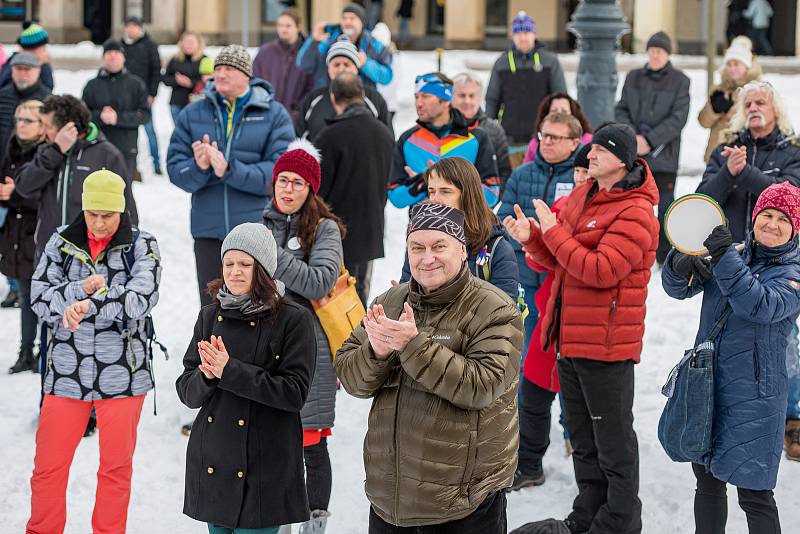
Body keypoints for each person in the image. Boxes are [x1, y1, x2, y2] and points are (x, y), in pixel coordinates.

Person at [504, 123, 658, 534]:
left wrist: (551, 233)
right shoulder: (582, 196)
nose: (589, 156)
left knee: (614, 446)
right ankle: (588, 511)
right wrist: (533, 241)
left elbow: (599, 270)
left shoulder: (637, 210)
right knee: (585, 443)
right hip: (569, 338)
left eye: (599, 152)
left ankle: (620, 521)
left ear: (622, 161)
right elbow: (558, 262)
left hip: (607, 345)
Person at [335, 202, 523, 532]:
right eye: (416, 247)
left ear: (462, 251)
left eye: (439, 246)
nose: (427, 257)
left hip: (462, 504)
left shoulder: (494, 308)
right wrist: (375, 352)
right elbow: (350, 377)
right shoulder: (390, 301)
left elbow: (482, 386)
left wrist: (413, 346)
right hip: (389, 499)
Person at [25, 169, 161, 534]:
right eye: (92, 214)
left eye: (108, 215)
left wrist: (89, 304)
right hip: (66, 373)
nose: (99, 224)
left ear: (121, 211)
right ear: (82, 209)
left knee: (115, 470)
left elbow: (140, 299)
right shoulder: (60, 242)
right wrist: (74, 291)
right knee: (48, 469)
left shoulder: (142, 245)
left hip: (123, 374)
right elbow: (38, 295)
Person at [662, 181, 800, 534]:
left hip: (756, 398)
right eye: (766, 214)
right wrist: (679, 264)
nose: (771, 223)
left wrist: (724, 257)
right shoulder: (734, 253)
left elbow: (756, 304)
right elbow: (679, 290)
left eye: (783, 219)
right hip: (709, 387)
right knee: (706, 482)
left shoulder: (792, 275)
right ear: (754, 217)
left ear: (795, 229)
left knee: (754, 494)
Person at [176, 222, 315, 534]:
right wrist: (207, 376)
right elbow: (187, 392)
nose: (234, 272)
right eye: (229, 263)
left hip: (265, 470)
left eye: (245, 264)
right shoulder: (210, 316)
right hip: (214, 463)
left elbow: (294, 393)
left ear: (263, 269)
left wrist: (230, 370)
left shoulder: (294, 320)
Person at [167, 44, 294, 307]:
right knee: (212, 307)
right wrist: (199, 165)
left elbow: (279, 174)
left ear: (247, 74)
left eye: (229, 69)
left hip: (255, 230)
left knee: (258, 305)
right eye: (218, 69)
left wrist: (230, 170)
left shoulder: (274, 114)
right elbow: (175, 170)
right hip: (208, 231)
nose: (220, 74)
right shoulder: (193, 113)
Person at [263, 141, 344, 534]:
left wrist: (272, 254)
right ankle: (276, 518)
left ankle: (314, 523)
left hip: (309, 352)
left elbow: (318, 282)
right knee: (272, 443)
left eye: (297, 182)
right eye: (282, 180)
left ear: (311, 189)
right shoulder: (259, 225)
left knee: (310, 443)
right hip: (263, 350)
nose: (288, 189)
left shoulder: (325, 229)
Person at [509, 144, 590, 492]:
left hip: (583, 321)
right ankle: (528, 463)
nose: (583, 178)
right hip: (549, 315)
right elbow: (539, 262)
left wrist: (552, 238)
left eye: (589, 172)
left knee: (581, 404)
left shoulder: (602, 216)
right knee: (534, 391)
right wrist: (531, 240)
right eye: (579, 173)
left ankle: (591, 475)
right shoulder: (561, 208)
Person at [498, 112, 583, 364]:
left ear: (574, 142)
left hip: (557, 278)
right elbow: (503, 217)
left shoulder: (580, 178)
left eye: (555, 137)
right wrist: (521, 236)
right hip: (522, 275)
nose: (546, 142)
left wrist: (545, 242)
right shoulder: (522, 174)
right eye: (544, 135)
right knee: (522, 351)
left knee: (557, 355)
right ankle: (524, 403)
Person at [14, 94, 137, 254]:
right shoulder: (48, 150)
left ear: (69, 128)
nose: (43, 132)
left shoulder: (107, 155)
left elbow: (127, 210)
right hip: (49, 253)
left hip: (89, 256)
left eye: (48, 126)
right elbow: (24, 186)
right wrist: (56, 151)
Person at [314, 73, 393, 305]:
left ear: (333, 98)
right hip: (370, 229)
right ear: (363, 95)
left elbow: (319, 192)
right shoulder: (385, 134)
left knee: (334, 303)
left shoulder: (328, 137)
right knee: (359, 298)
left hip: (335, 232)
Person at [615, 30, 690, 266]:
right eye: (652, 51)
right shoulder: (634, 77)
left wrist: (651, 140)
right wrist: (634, 138)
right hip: (634, 155)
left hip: (664, 155)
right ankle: (631, 247)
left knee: (666, 204)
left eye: (660, 51)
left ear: (668, 54)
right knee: (631, 202)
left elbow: (678, 118)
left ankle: (664, 254)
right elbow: (622, 109)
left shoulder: (680, 80)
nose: (655, 55)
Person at [398, 157, 519, 299]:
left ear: (467, 195)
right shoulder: (421, 239)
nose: (435, 199)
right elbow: (408, 291)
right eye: (431, 191)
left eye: (445, 191)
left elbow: (505, 315)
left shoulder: (497, 249)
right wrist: (401, 299)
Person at [697, 80, 800, 243]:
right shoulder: (724, 150)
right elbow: (702, 202)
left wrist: (745, 173)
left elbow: (791, 199)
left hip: (775, 257)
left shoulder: (794, 151)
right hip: (727, 253)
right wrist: (727, 173)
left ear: (776, 110)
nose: (753, 108)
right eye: (747, 105)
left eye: (760, 103)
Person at [389, 72, 499, 209]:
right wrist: (422, 182)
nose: (419, 103)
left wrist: (444, 183)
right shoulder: (407, 140)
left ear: (446, 100)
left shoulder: (476, 138)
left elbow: (491, 194)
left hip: (465, 228)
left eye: (426, 96)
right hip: (422, 227)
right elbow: (395, 198)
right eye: (416, 97)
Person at [0, 100, 47, 374]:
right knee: (25, 296)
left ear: (42, 126)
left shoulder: (45, 153)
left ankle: (43, 348)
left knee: (39, 296)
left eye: (28, 120)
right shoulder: (12, 148)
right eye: (19, 119)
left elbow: (46, 195)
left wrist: (16, 192)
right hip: (14, 234)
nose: (22, 125)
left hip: (36, 233)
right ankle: (26, 350)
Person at [486, 11, 567, 167]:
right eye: (518, 33)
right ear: (513, 35)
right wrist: (489, 131)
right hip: (509, 138)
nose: (523, 37)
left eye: (526, 32)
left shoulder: (550, 61)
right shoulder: (501, 63)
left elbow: (560, 97)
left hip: (542, 138)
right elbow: (492, 99)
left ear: (534, 33)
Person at [295, 38, 392, 142]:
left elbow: (388, 141)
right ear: (328, 69)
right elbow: (299, 140)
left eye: (347, 64)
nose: (341, 69)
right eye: (336, 65)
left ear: (356, 68)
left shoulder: (374, 99)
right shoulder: (313, 100)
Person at [82, 39, 151, 179]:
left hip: (126, 148)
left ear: (123, 57)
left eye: (116, 52)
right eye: (108, 52)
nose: (112, 56)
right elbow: (82, 115)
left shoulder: (136, 84)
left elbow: (145, 115)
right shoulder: (92, 85)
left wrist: (118, 118)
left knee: (123, 193)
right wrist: (99, 116)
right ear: (103, 57)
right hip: (97, 146)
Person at [297, 2, 392, 89]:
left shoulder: (374, 44)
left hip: (362, 99)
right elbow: (303, 64)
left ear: (362, 22)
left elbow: (387, 77)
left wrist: (366, 64)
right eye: (344, 18)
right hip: (329, 96)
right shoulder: (327, 40)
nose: (347, 22)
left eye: (352, 18)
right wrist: (313, 41)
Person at [698, 36, 761, 162]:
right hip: (716, 155)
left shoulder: (757, 90)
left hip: (743, 157)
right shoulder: (719, 90)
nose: (732, 68)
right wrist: (714, 109)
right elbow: (703, 122)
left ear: (747, 66)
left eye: (737, 64)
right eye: (729, 64)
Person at [253, 8, 315, 122]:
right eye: (280, 25)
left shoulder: (307, 52)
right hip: (267, 116)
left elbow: (311, 86)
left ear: (298, 27)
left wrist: (298, 111)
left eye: (288, 26)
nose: (283, 29)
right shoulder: (265, 52)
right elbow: (255, 81)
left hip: (297, 119)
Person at [121, 15, 164, 175]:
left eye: (134, 26)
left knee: (149, 130)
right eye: (128, 26)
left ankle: (157, 163)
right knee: (129, 133)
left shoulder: (150, 45)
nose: (131, 29)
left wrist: (152, 94)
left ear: (140, 28)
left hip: (144, 96)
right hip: (125, 97)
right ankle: (132, 165)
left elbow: (156, 70)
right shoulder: (121, 46)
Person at [452, 72, 512, 186]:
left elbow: (504, 173)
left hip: (482, 200)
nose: (467, 101)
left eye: (472, 96)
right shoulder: (443, 127)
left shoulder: (494, 130)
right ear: (451, 97)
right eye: (462, 95)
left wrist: (491, 200)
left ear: (479, 98)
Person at [0, 51, 50, 168]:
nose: (22, 73)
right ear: (11, 71)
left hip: (29, 165)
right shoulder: (2, 96)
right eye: (18, 68)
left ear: (38, 71)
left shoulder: (47, 100)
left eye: (27, 69)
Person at [523, 93, 592, 164]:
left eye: (564, 111)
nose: (559, 115)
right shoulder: (535, 143)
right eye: (554, 111)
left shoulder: (588, 141)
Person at [163, 31, 208, 126]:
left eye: (192, 42)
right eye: (186, 42)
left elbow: (209, 81)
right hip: (176, 102)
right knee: (180, 133)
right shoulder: (175, 59)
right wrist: (177, 80)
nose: (188, 45)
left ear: (199, 44)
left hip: (196, 103)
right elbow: (165, 79)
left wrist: (191, 83)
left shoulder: (205, 60)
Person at [0, 21, 53, 91]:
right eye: (43, 46)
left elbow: (48, 88)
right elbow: (4, 85)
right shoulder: (14, 63)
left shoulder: (43, 62)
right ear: (33, 48)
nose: (45, 49)